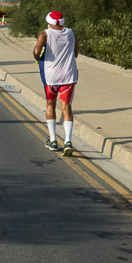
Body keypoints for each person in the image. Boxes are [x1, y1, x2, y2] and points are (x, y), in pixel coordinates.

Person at [34, 10, 79, 156]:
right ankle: (68, 142)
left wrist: (40, 56)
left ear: (49, 22)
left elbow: (36, 52)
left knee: (50, 104)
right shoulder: (71, 33)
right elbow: (76, 53)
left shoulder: (44, 34)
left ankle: (53, 140)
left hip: (51, 76)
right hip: (68, 75)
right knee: (66, 107)